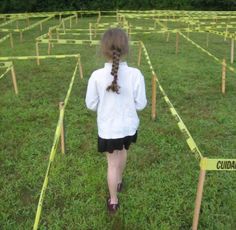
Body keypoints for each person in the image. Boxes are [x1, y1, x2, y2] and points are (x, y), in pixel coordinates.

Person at [85, 28, 147, 214]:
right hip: (128, 128)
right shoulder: (136, 74)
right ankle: (118, 182)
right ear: (126, 48)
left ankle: (113, 200)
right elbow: (141, 104)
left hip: (108, 129)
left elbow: (90, 104)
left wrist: (105, 105)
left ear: (103, 49)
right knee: (123, 151)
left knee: (112, 163)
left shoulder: (96, 76)